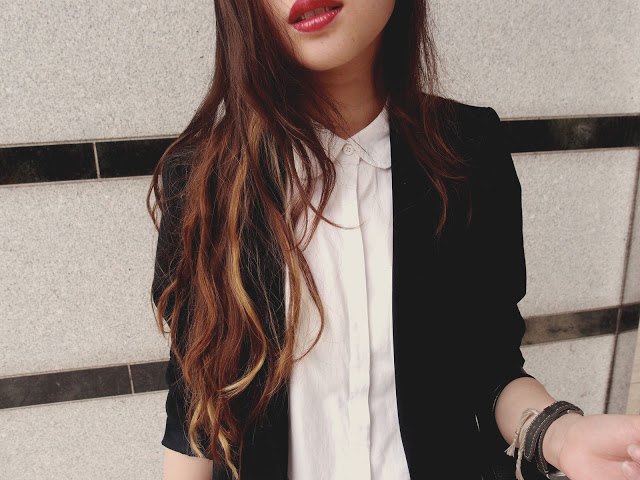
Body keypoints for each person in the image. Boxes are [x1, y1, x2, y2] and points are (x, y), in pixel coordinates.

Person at [147, 0, 640, 479]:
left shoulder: (468, 150)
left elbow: (491, 368)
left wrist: (561, 436)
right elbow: (195, 401)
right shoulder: (206, 180)